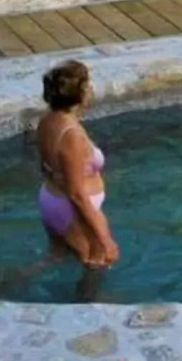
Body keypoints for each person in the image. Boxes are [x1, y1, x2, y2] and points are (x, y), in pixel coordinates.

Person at [36, 60, 119, 272]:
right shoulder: (72, 135)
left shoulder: (48, 121)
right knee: (97, 264)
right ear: (80, 92)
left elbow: (46, 166)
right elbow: (77, 194)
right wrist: (105, 238)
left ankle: (7, 283)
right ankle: (90, 304)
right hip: (72, 208)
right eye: (88, 85)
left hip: (51, 198)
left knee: (54, 259)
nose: (91, 90)